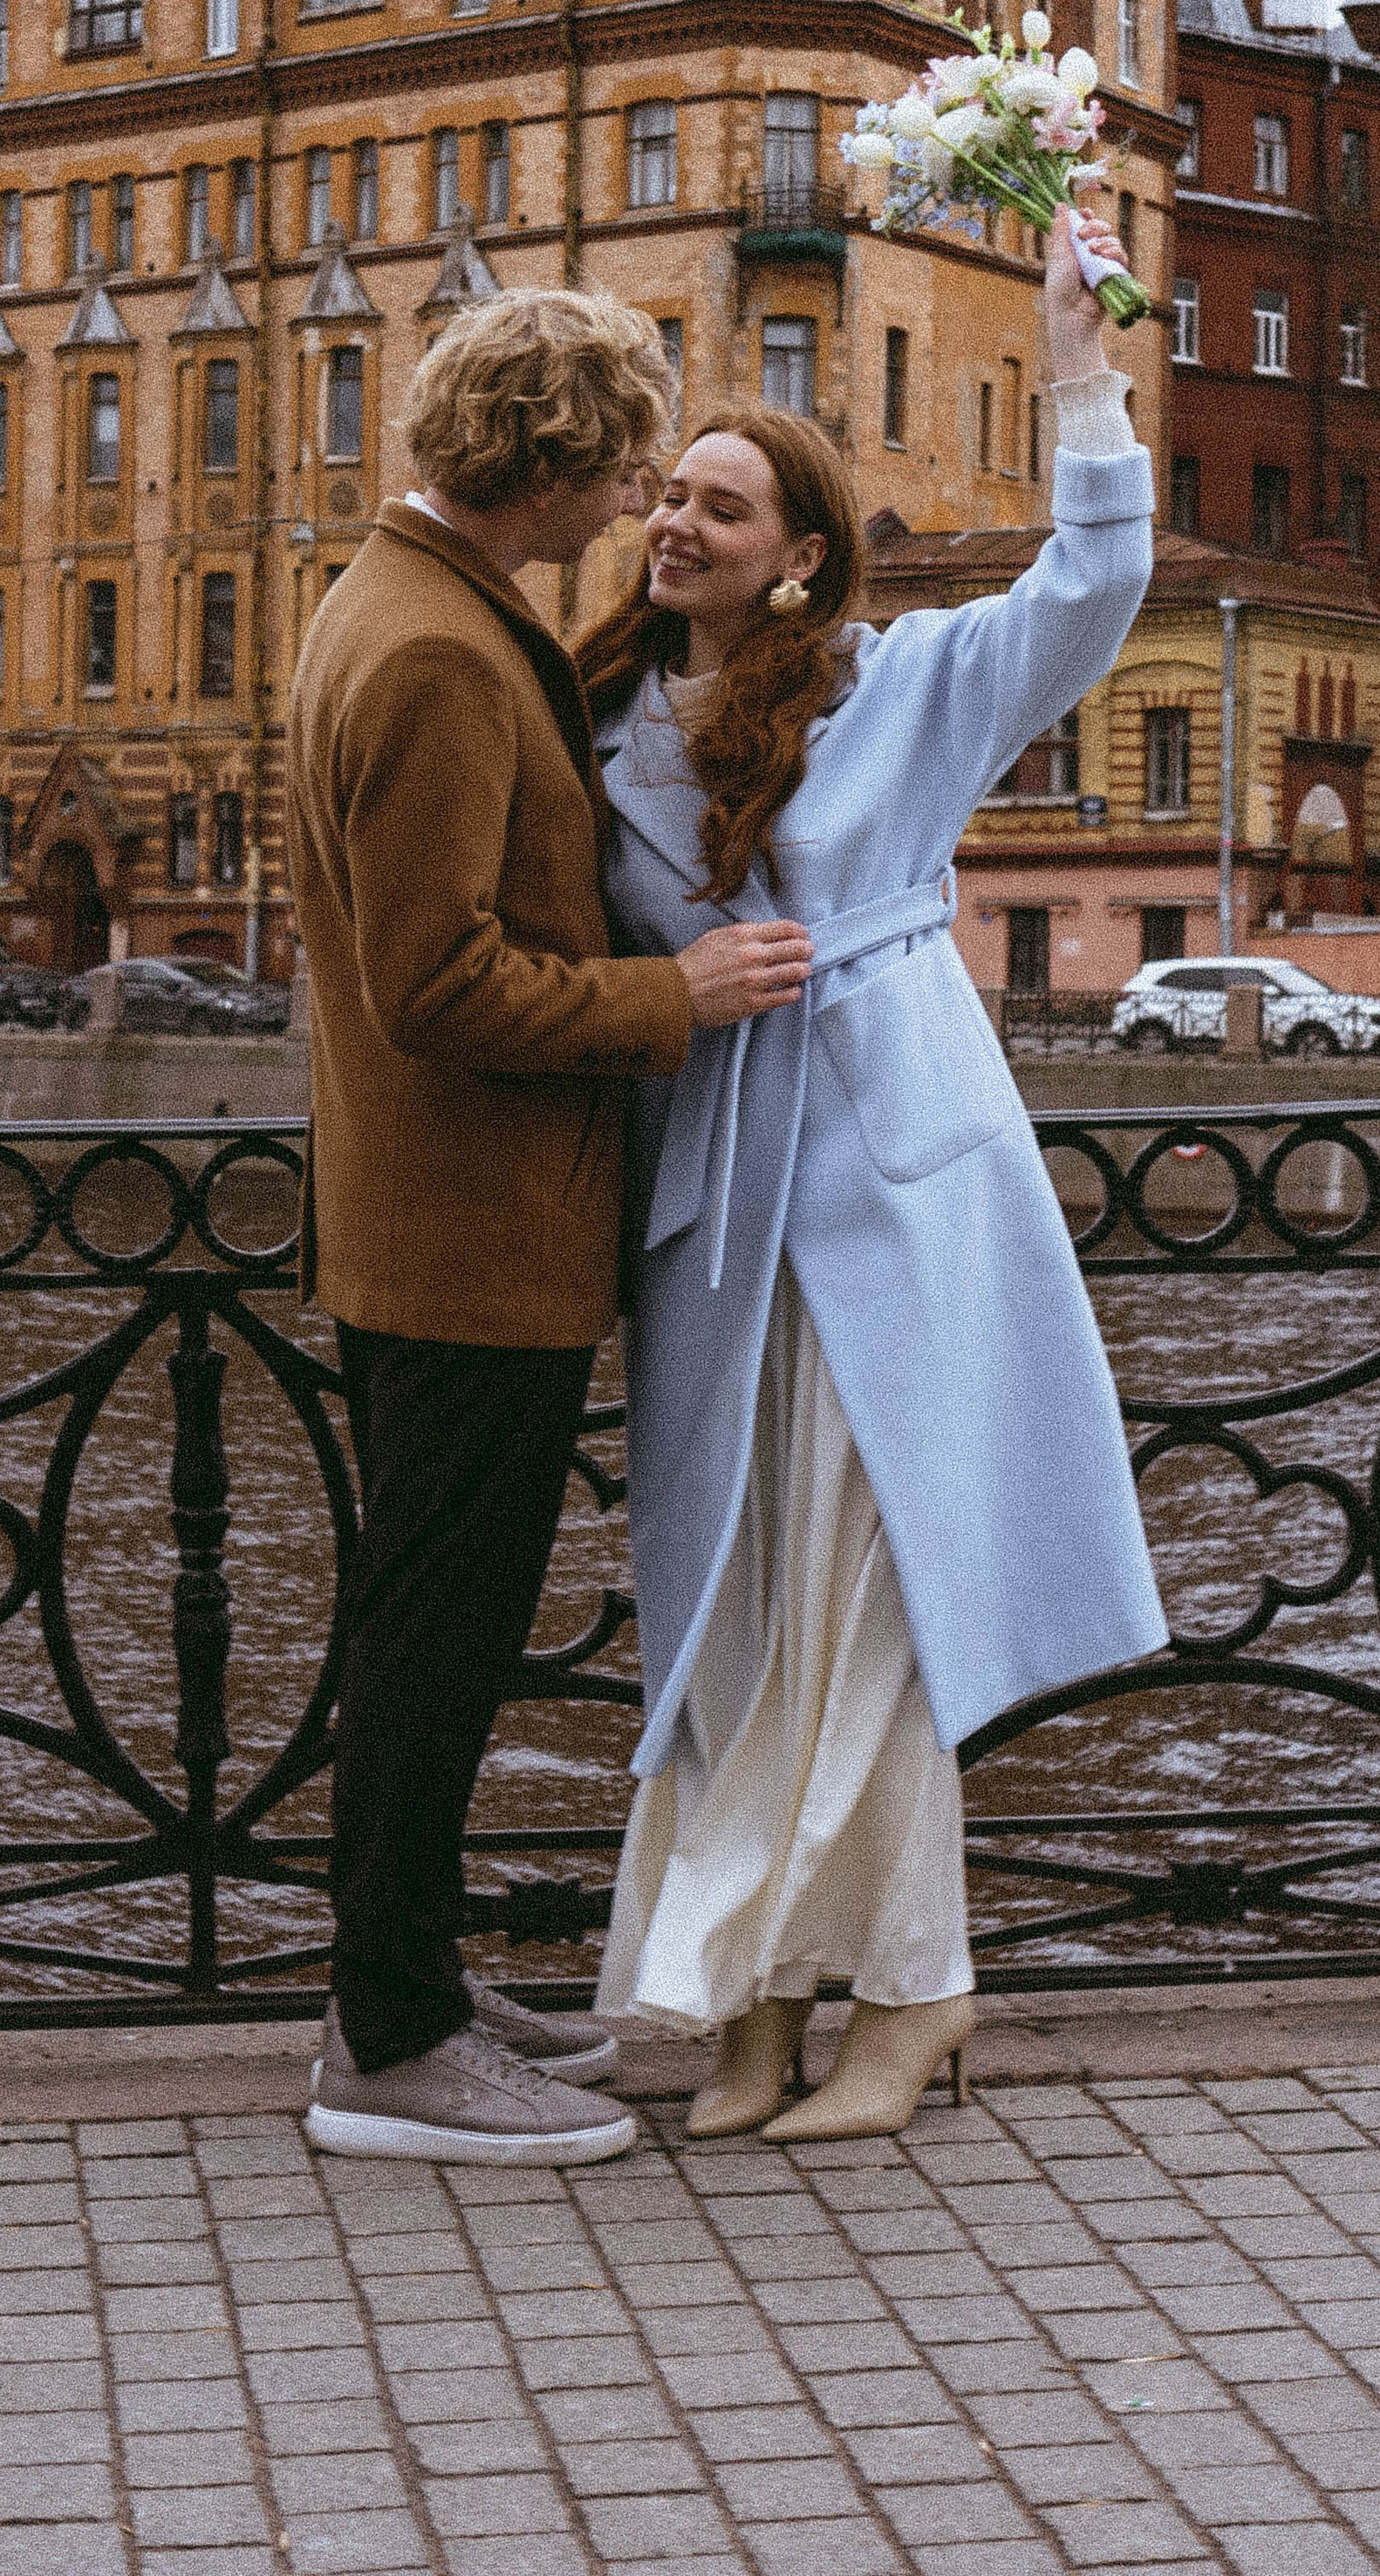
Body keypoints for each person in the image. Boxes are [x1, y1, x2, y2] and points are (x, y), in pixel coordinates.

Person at [577, 206, 1169, 2141]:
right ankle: (746, 2003)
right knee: (735, 1608)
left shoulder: (898, 687)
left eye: (722, 506)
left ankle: (911, 1995)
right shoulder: (608, 728)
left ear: (803, 554)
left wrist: (1075, 365)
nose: (677, 525)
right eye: (670, 497)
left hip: (894, 1187)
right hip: (712, 1211)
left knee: (873, 1595)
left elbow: (1093, 583)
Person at [287, 287, 814, 2167]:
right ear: (553, 459)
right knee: (433, 1644)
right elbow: (436, 981)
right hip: (468, 1234)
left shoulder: (405, 601)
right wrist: (678, 995)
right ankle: (390, 2044)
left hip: (435, 1223)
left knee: (425, 1625)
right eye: (624, 468)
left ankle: (407, 1985)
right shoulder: (436, 651)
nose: (634, 504)